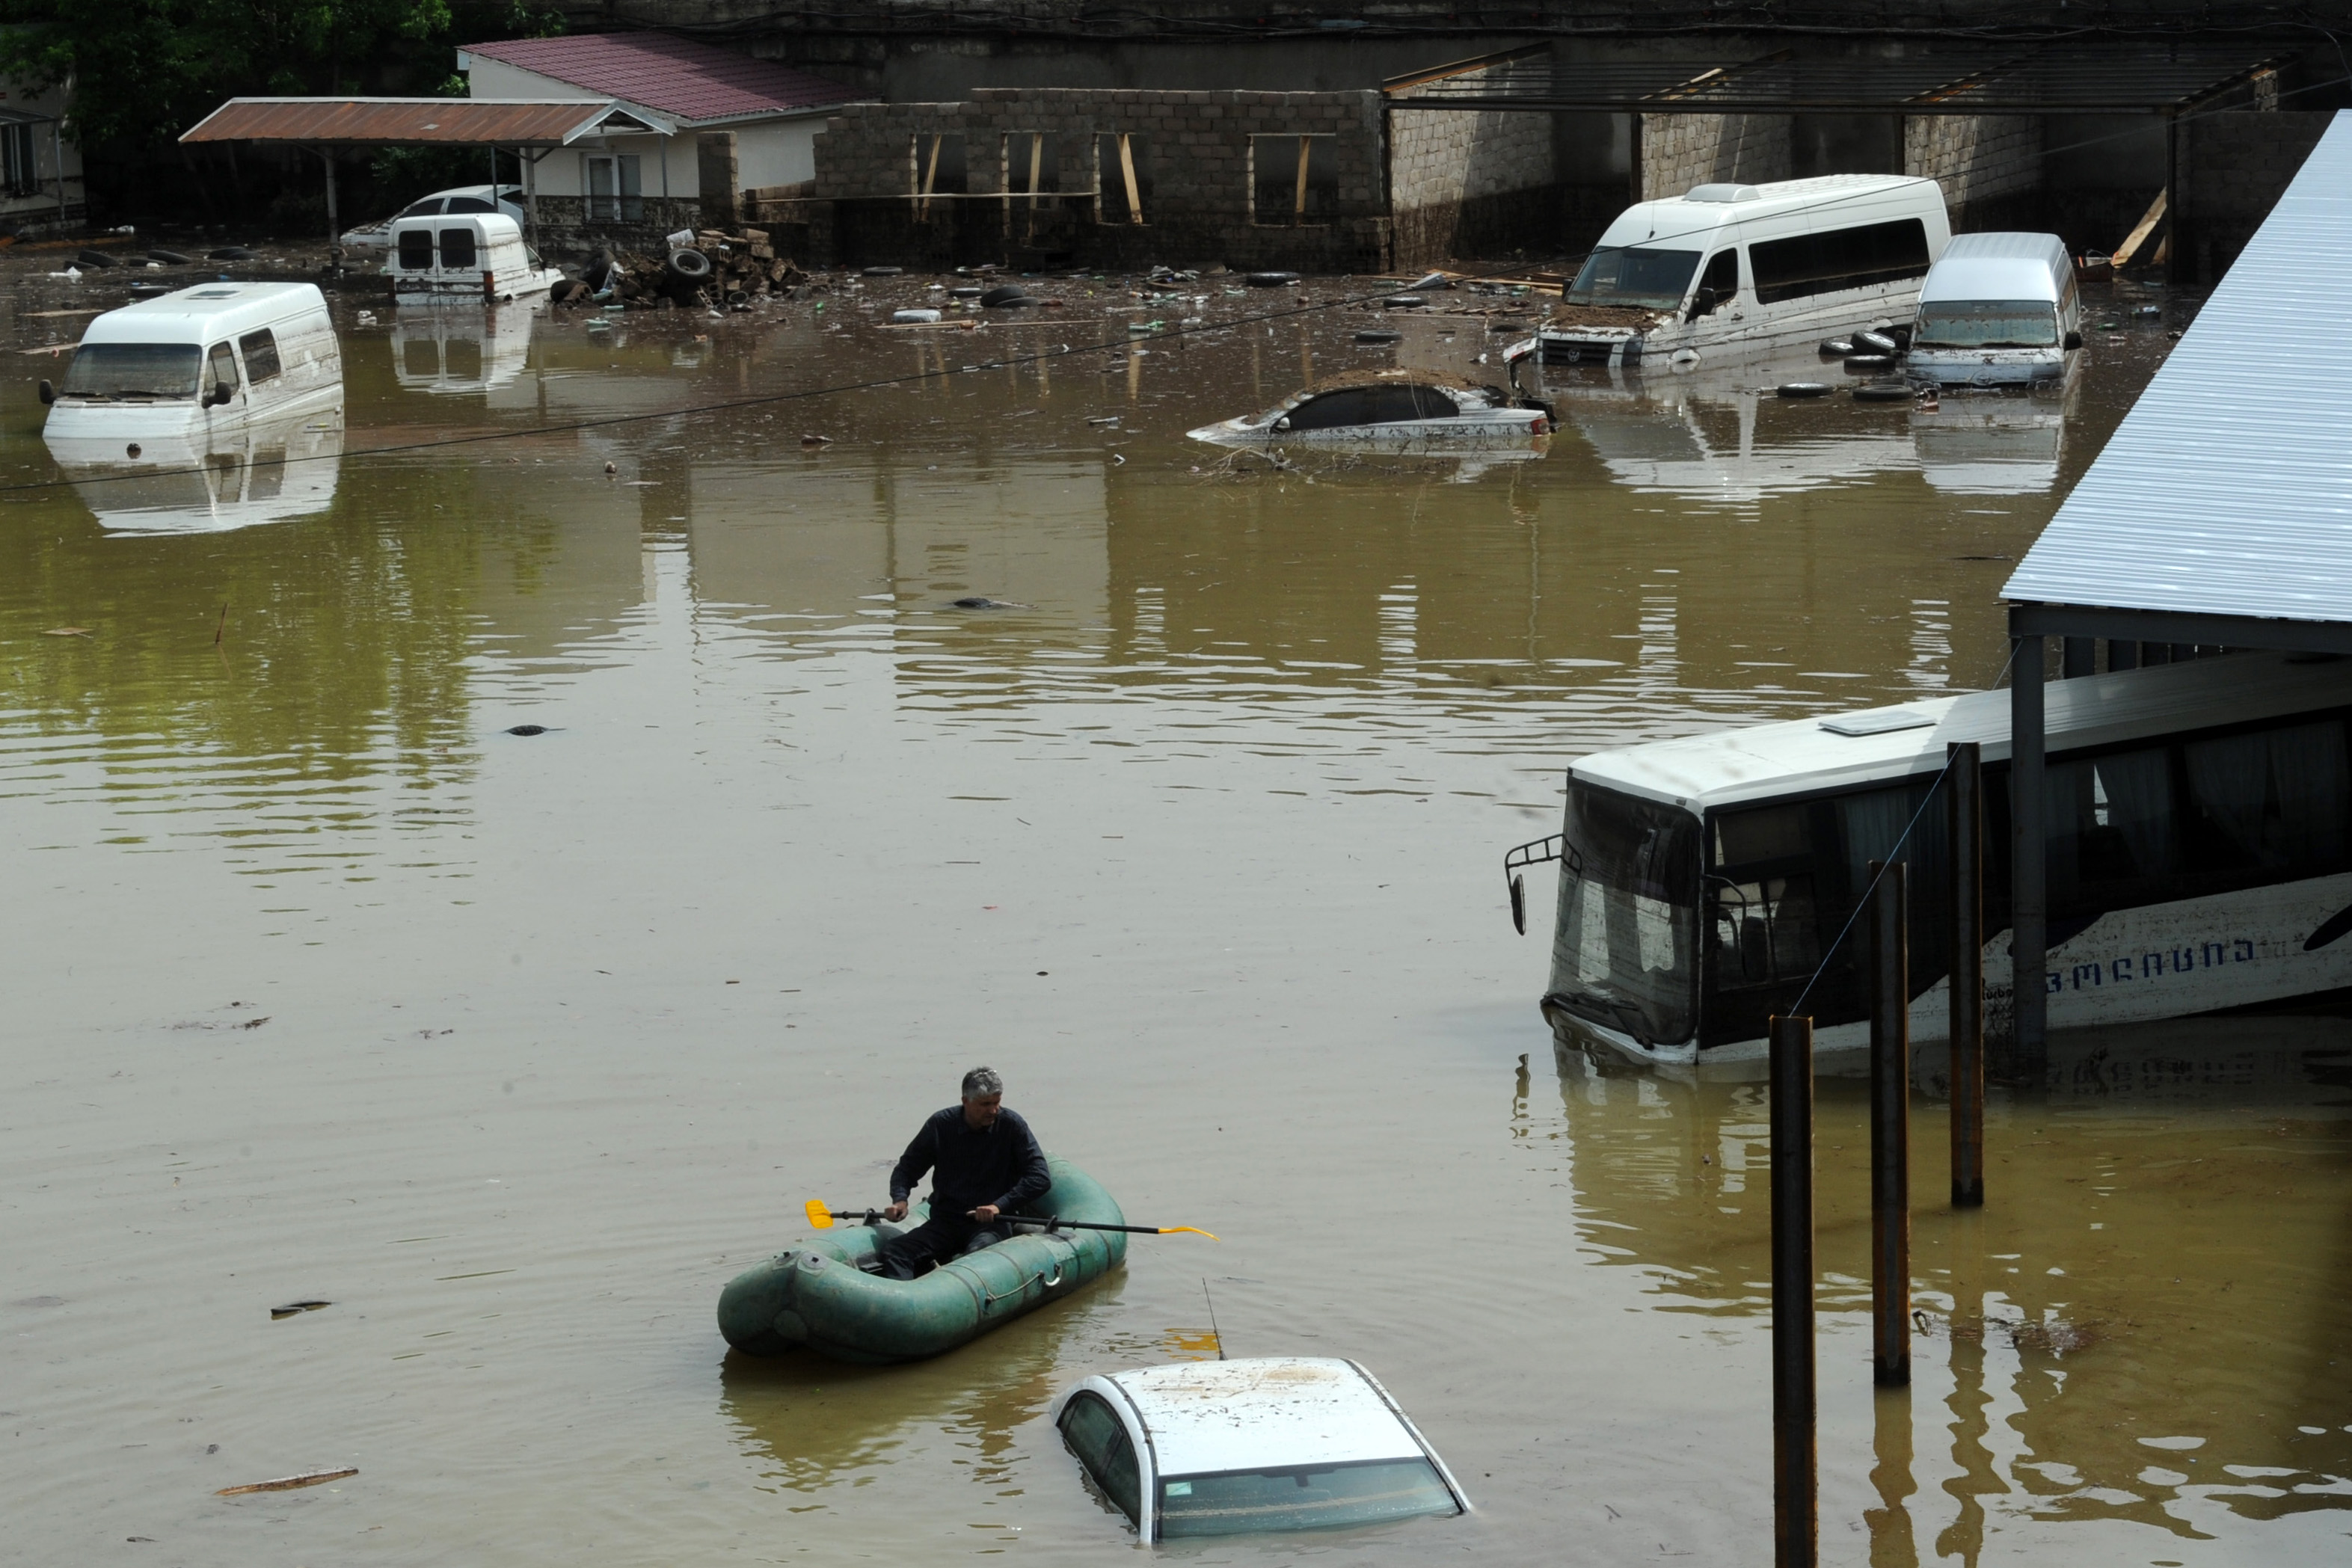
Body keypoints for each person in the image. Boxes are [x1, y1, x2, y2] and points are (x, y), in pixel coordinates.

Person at [875, 1066, 1051, 1281]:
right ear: (965, 1101)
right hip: (945, 1221)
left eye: (997, 1102)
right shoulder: (940, 1125)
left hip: (991, 1224)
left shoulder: (1011, 1125)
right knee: (896, 1251)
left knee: (976, 1258)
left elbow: (1039, 1177)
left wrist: (999, 1205)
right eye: (985, 1104)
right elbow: (907, 1168)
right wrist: (900, 1199)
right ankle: (902, 1301)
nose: (993, 1110)